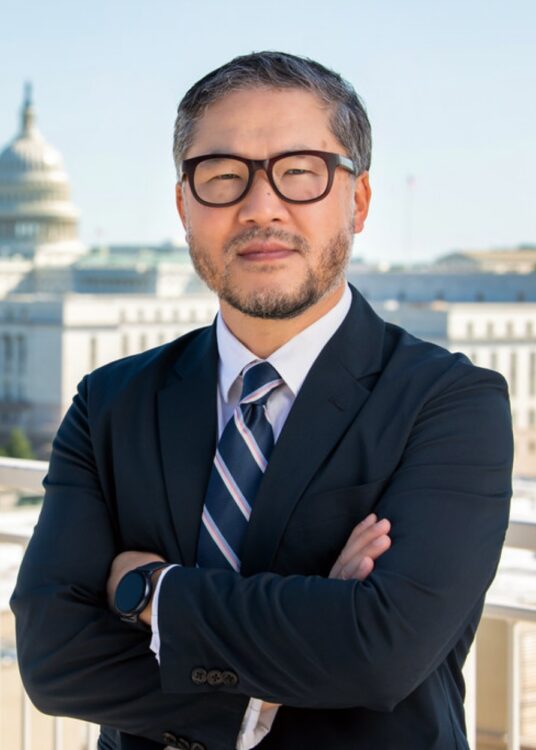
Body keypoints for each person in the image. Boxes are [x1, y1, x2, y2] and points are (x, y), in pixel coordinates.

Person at [11, 51, 513, 750]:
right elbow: (55, 661)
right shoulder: (111, 404)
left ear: (359, 201)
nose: (260, 207)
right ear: (184, 207)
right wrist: (302, 641)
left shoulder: (450, 403)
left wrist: (153, 592)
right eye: (223, 176)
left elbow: (381, 652)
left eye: (300, 172)